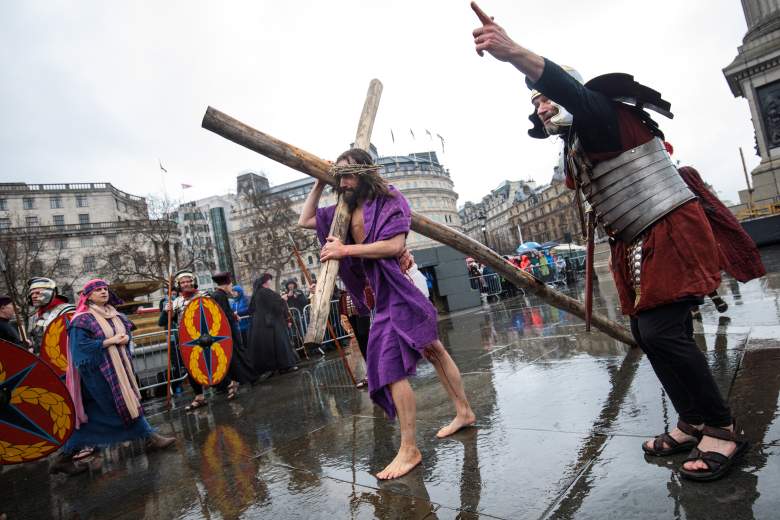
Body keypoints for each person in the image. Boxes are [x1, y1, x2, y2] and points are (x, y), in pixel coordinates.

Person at [470, 1, 765, 481]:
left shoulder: (598, 111)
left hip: (668, 227)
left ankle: (723, 428)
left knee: (664, 333)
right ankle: (692, 420)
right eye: (536, 103)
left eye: (545, 98)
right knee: (652, 336)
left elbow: (564, 86)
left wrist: (513, 53)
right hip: (636, 237)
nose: (542, 106)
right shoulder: (577, 141)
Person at [299, 147, 475, 480]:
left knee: (395, 366)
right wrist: (319, 182)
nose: (344, 181)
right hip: (378, 297)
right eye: (339, 176)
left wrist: (344, 248)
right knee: (433, 350)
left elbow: (394, 246)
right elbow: (305, 219)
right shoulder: (343, 210)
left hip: (399, 290)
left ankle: (410, 449)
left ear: (366, 172)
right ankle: (464, 411)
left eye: (349, 174)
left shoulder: (390, 199)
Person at [52, 279, 175, 475]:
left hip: (119, 372)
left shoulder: (115, 314)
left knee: (113, 410)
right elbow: (79, 350)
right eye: (97, 290)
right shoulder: (81, 320)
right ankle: (150, 437)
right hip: (96, 376)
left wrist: (126, 338)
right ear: (88, 295)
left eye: (104, 289)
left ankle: (65, 457)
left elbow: (125, 333)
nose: (103, 292)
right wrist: (107, 342)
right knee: (119, 408)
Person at [158, 271, 209, 411]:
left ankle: (228, 384)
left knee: (211, 363)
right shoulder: (176, 302)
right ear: (179, 285)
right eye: (183, 282)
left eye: (188, 281)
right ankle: (199, 397)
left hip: (206, 338)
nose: (186, 284)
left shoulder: (204, 296)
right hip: (187, 340)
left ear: (193, 281)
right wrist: (166, 311)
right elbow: (162, 322)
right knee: (191, 368)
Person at [209, 272, 259, 399]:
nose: (231, 287)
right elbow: (225, 313)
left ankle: (243, 378)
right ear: (225, 285)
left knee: (236, 356)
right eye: (230, 284)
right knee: (239, 353)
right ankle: (251, 377)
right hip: (229, 331)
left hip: (225, 332)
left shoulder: (216, 295)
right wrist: (234, 316)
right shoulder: (220, 296)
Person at [248, 273, 299, 375]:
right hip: (273, 324)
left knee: (270, 347)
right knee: (280, 345)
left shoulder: (256, 293)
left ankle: (273, 368)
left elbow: (251, 309)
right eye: (269, 280)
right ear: (265, 282)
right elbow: (276, 306)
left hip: (262, 325)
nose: (270, 282)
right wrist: (283, 299)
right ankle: (285, 366)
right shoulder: (266, 292)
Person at [26, 277, 75, 355]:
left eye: (37, 293)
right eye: (32, 293)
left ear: (52, 293)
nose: (33, 296)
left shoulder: (67, 311)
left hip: (64, 359)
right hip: (40, 361)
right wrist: (30, 346)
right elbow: (33, 340)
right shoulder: (34, 316)